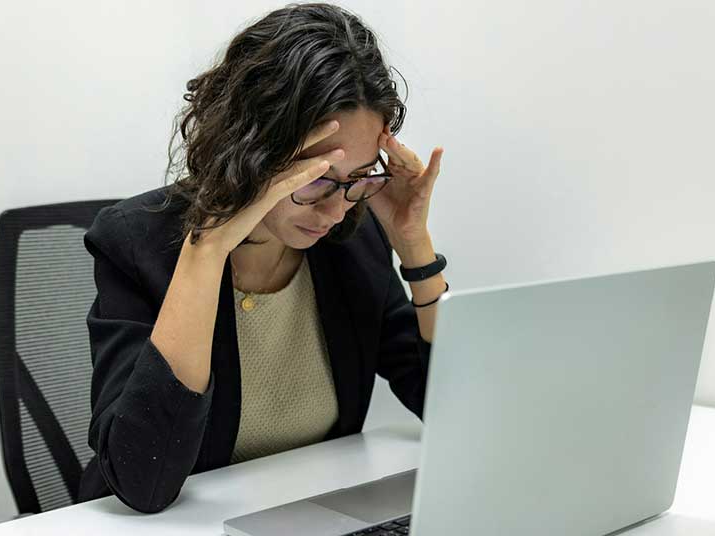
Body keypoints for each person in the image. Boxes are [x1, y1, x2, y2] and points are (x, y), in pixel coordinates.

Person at [77, 2, 448, 513]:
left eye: (360, 178)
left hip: (305, 516)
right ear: (249, 150)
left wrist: (414, 247)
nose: (335, 210)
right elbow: (144, 482)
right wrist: (208, 250)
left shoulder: (352, 241)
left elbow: (455, 411)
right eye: (315, 178)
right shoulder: (136, 243)